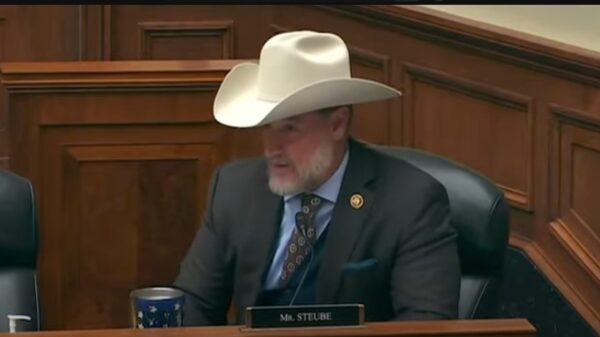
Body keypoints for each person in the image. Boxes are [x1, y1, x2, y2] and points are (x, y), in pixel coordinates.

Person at [174, 30, 460, 325]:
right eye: (267, 128)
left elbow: (427, 322)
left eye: (290, 129)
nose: (272, 148)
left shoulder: (411, 201)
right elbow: (194, 301)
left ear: (337, 124)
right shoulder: (234, 189)